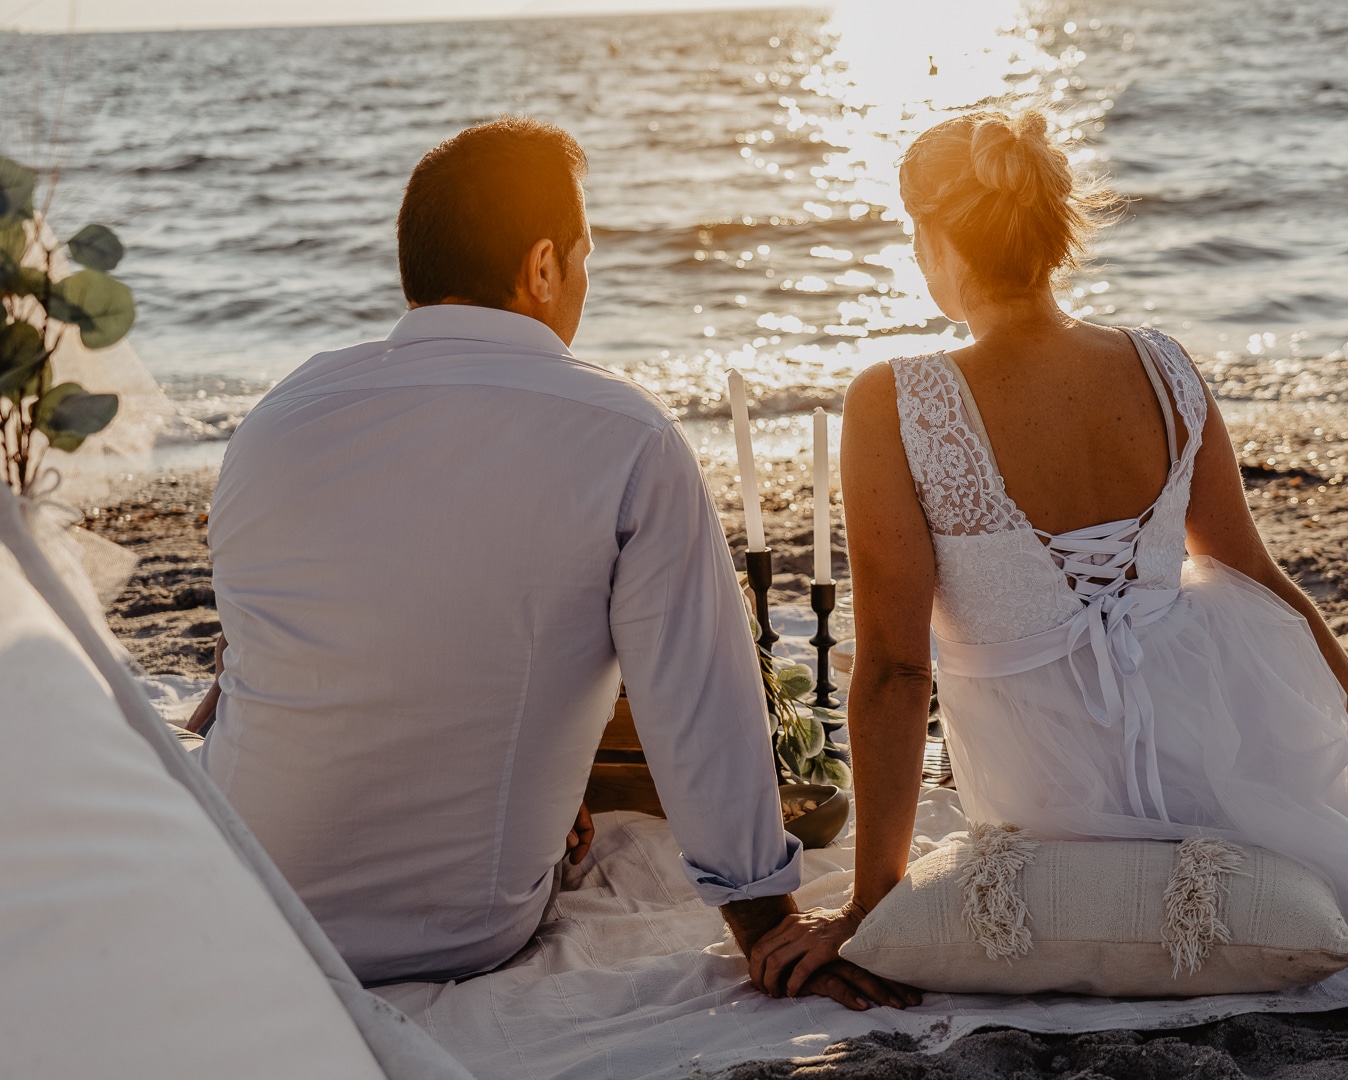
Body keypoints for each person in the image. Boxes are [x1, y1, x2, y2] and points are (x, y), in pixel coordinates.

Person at [748, 110, 1348, 1006]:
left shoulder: (894, 397)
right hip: (1224, 751)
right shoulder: (1164, 366)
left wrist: (869, 904)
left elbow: (896, 668)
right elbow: (1252, 574)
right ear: (1053, 229)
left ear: (934, 242)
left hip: (1049, 788)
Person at [190, 117, 912, 1009]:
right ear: (541, 268)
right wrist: (766, 924)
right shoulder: (626, 436)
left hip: (236, 898)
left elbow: (259, 654)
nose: (580, 284)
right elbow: (698, 703)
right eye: (582, 260)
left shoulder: (280, 416)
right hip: (456, 927)